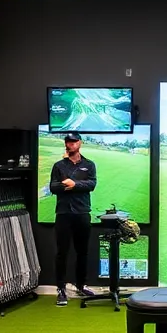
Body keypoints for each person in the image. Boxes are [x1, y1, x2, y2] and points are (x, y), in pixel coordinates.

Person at [50, 131, 97, 306]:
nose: (71, 144)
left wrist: (75, 184)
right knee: (62, 252)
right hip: (63, 213)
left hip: (82, 212)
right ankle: (61, 289)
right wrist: (66, 185)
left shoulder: (89, 165)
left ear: (80, 143)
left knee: (82, 251)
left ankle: (80, 285)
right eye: (68, 142)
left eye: (74, 142)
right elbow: (53, 187)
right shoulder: (59, 165)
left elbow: (92, 184)